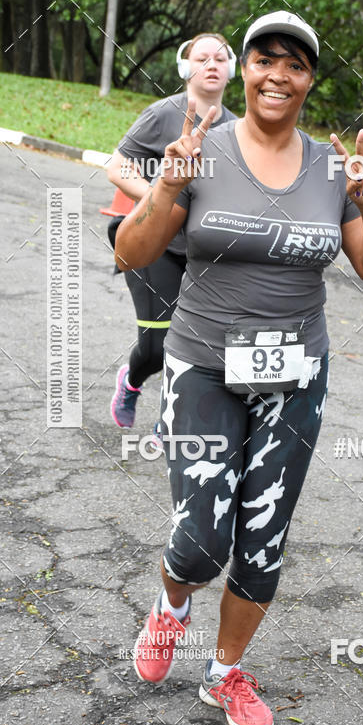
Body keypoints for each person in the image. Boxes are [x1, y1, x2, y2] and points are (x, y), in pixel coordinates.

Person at [114, 11, 363, 725]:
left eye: (295, 64)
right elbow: (131, 253)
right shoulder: (200, 150)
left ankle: (223, 673)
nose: (279, 74)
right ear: (245, 69)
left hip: (296, 374)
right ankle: (171, 603)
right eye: (264, 59)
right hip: (202, 366)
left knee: (263, 537)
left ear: (310, 79)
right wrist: (167, 188)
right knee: (201, 538)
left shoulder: (331, 167)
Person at [106, 33, 237, 432]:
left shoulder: (239, 129)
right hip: (155, 244)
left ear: (232, 71)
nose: (212, 64)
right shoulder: (163, 114)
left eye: (220, 58)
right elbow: (117, 166)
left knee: (204, 343)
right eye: (202, 58)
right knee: (156, 347)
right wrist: (160, 201)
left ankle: (173, 419)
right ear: (186, 69)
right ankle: (130, 381)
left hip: (203, 251)